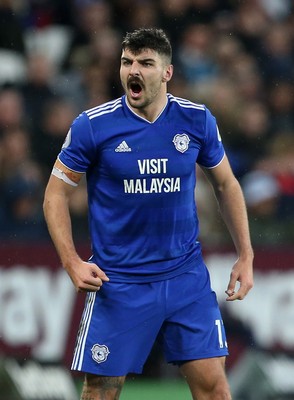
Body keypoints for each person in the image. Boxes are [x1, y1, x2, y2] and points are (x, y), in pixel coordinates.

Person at [43, 28, 254, 400]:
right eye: (127, 62)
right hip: (120, 281)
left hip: (185, 277)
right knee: (100, 393)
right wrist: (71, 262)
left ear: (167, 73)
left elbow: (227, 185)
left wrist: (246, 254)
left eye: (145, 63)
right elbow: (55, 195)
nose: (133, 71)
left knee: (217, 391)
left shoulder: (196, 120)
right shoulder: (93, 126)